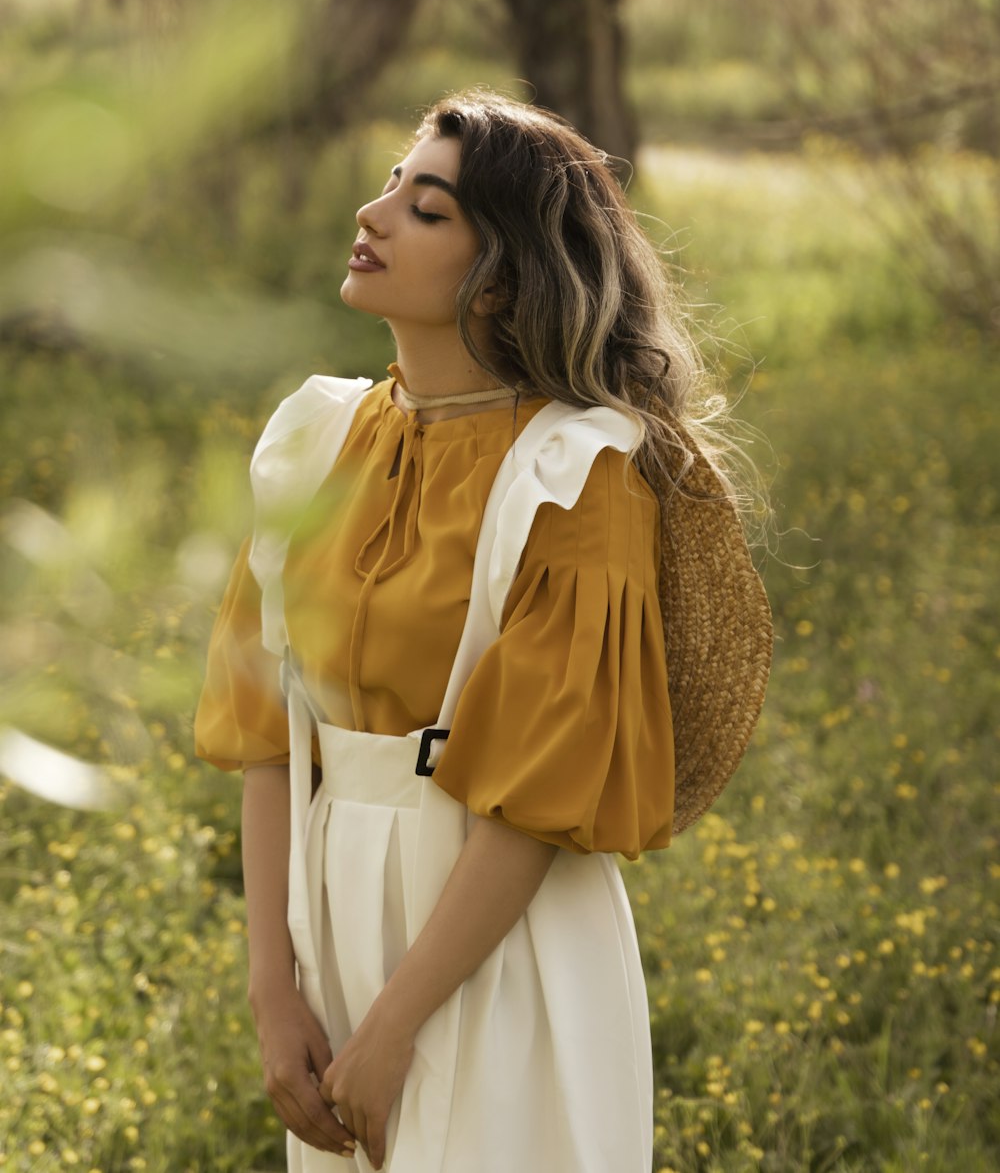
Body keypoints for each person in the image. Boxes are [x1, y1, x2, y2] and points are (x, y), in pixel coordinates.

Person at [194, 90, 770, 1173]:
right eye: (388, 187)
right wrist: (275, 996)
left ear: (500, 275)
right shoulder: (311, 444)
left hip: (495, 944)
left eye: (426, 209)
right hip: (331, 920)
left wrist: (397, 1027)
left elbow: (538, 800)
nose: (371, 214)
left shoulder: (574, 476)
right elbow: (268, 736)